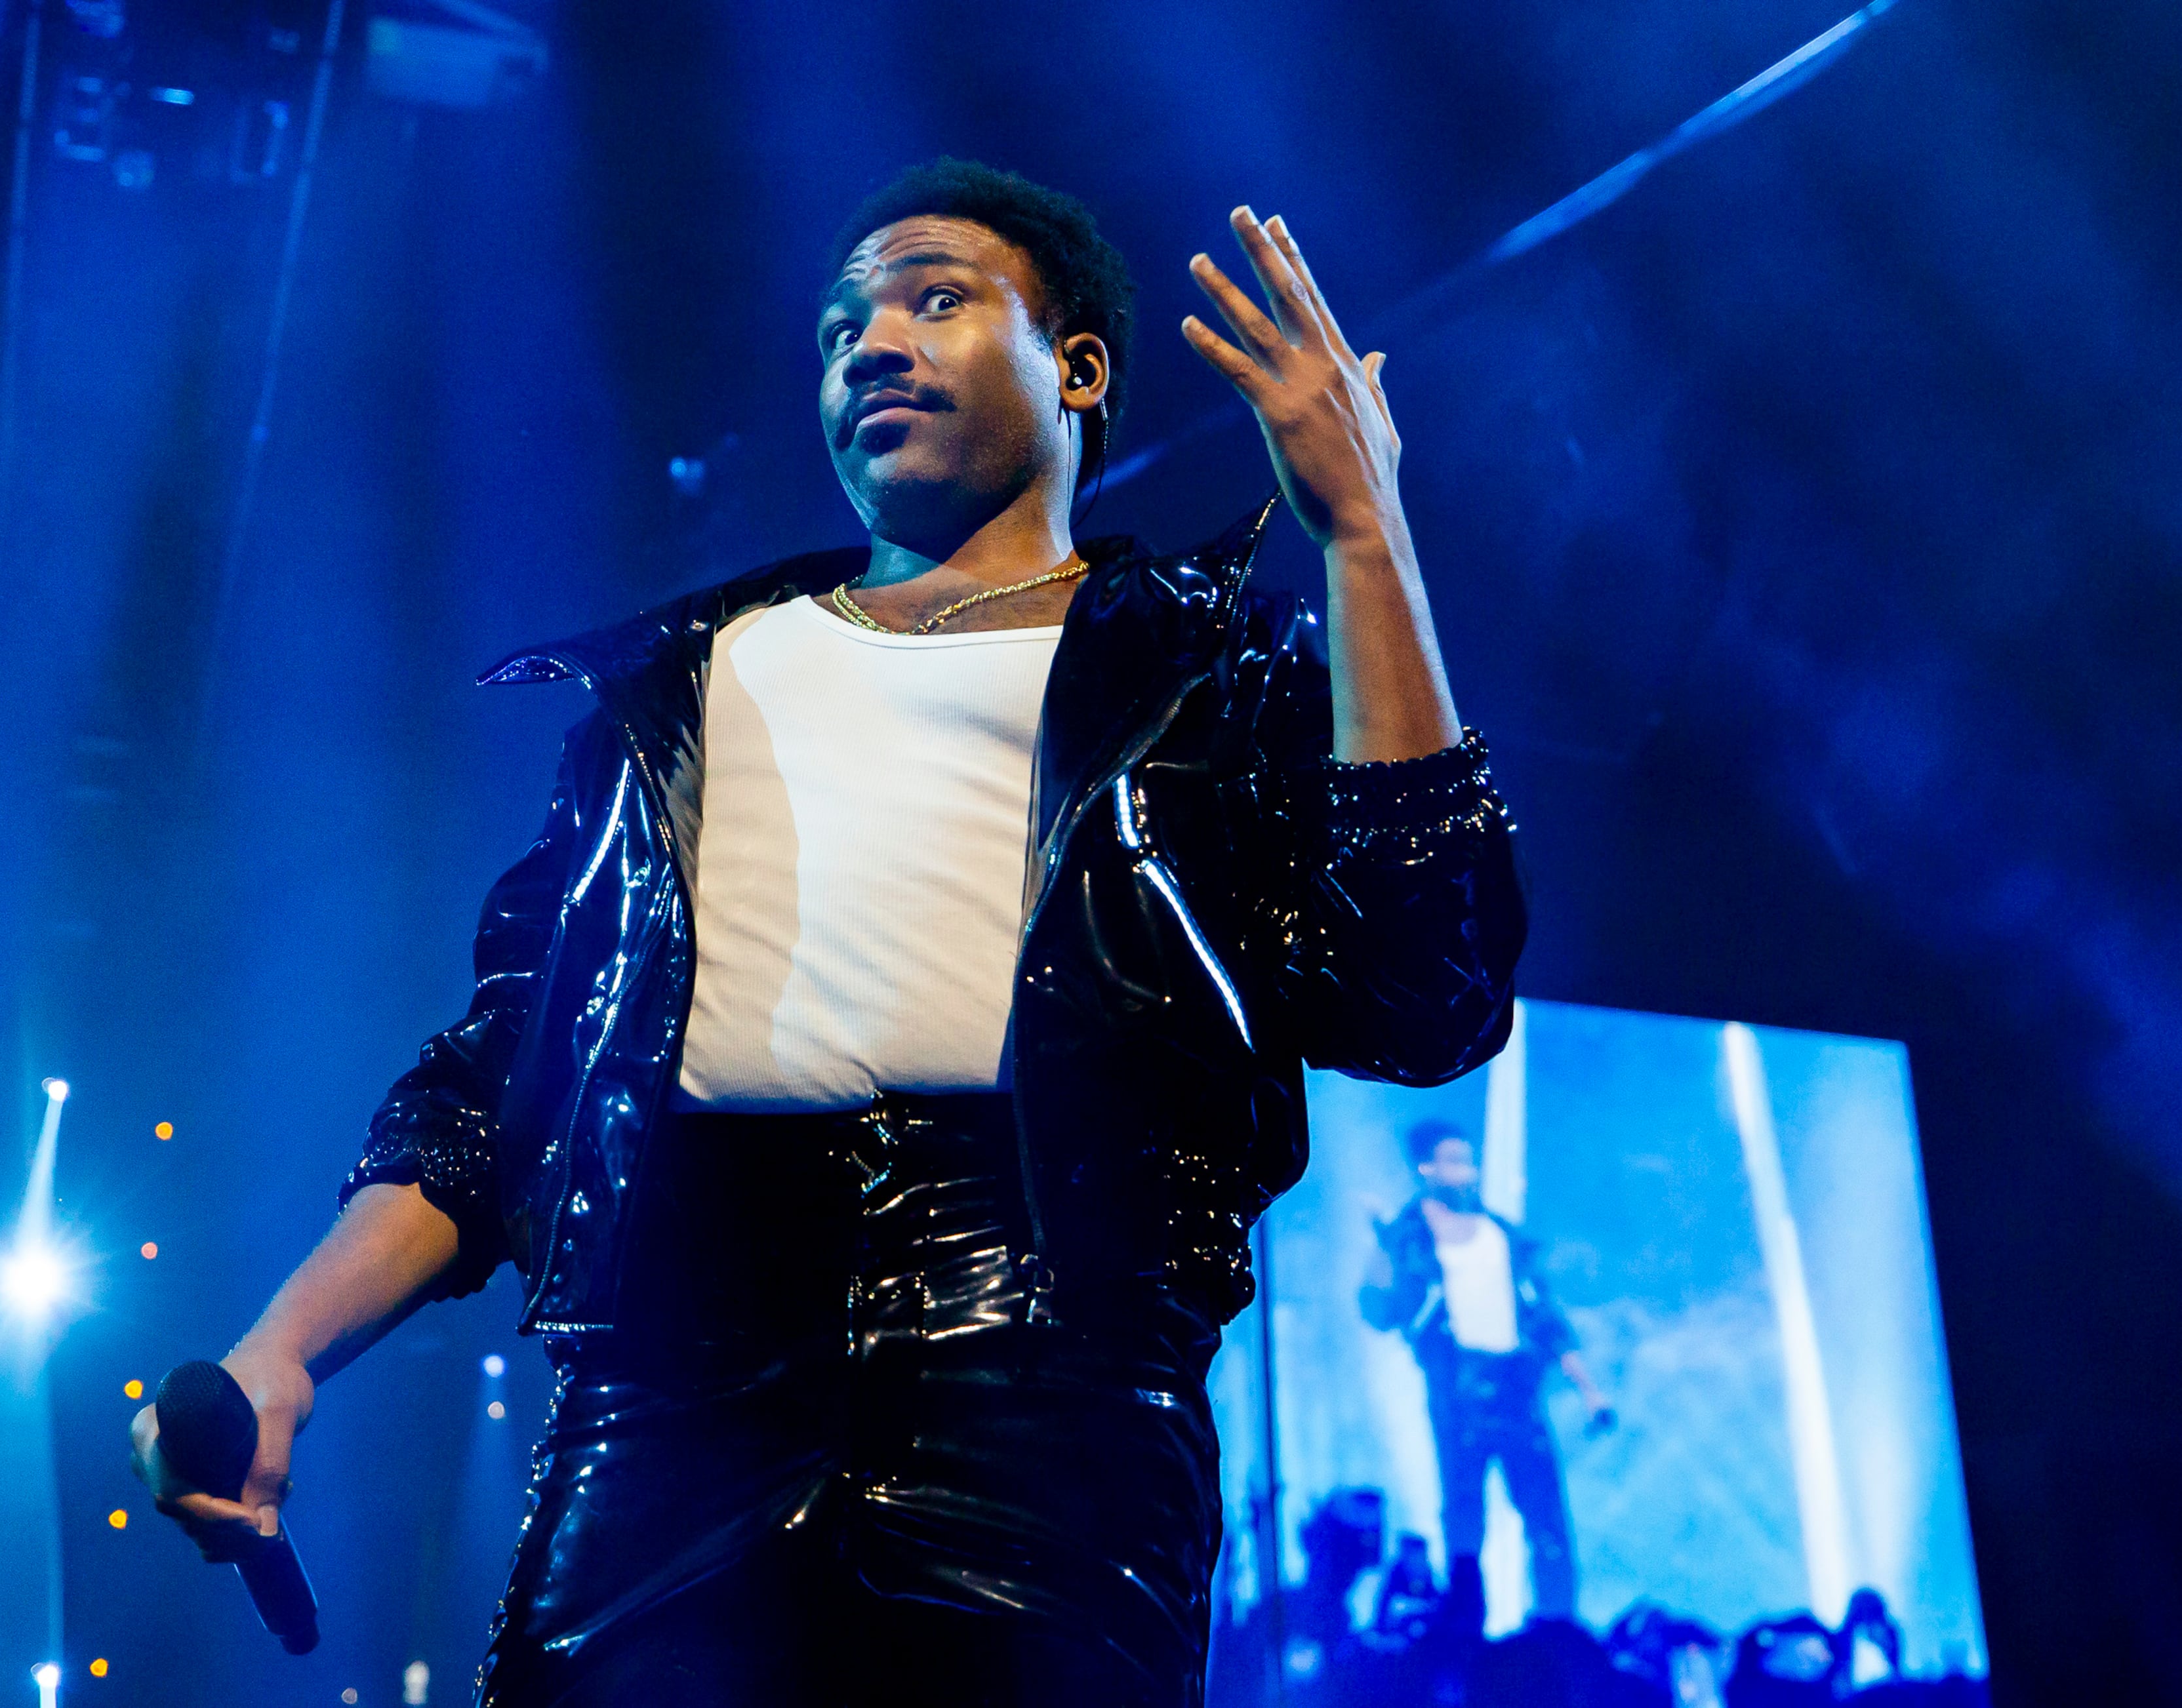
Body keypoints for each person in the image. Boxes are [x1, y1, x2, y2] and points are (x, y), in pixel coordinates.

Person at [134, 158, 1525, 1707]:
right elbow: (500, 1088)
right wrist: (282, 1349)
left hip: (1052, 1415)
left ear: (1075, 367)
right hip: (667, 1409)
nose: (871, 345)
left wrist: (1363, 534)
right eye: (840, 327)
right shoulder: (671, 693)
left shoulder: (1207, 680)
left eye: (934, 299)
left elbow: (1429, 989)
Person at [1360, 1119, 1612, 1630]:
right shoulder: (1409, 1239)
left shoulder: (1501, 1234)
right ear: (1427, 1168)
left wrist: (1589, 1390)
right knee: (1464, 1520)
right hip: (1458, 1393)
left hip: (1517, 1389)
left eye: (1469, 1161)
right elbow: (1381, 1311)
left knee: (1546, 1515)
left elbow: (1546, 1318)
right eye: (1454, 1161)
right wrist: (1382, 1245)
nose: (1467, 1172)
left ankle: (1558, 1629)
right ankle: (1465, 1634)